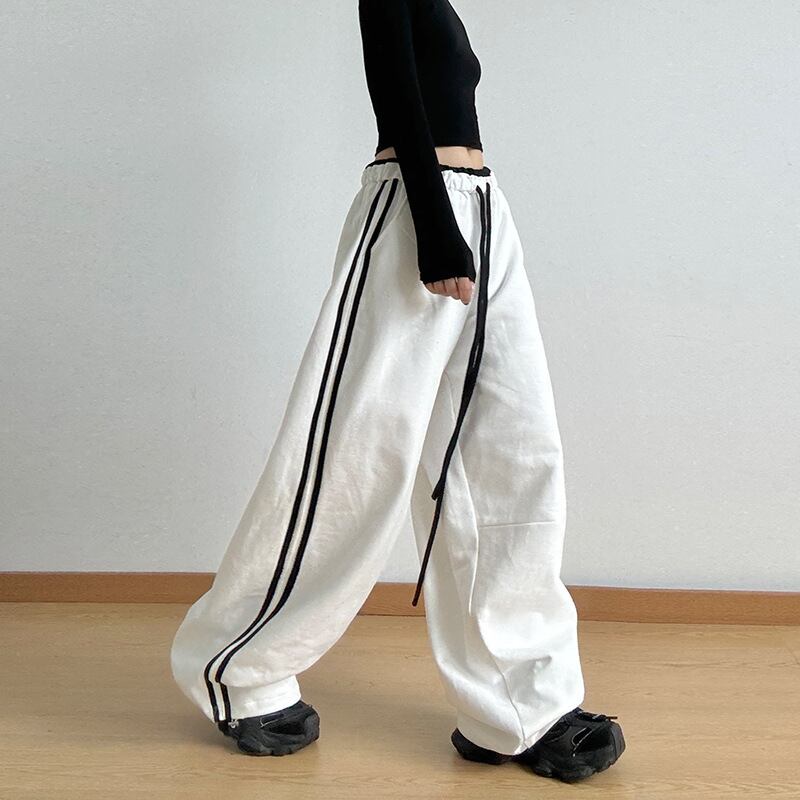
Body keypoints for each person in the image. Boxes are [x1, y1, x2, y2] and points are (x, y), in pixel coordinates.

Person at [170, 0, 626, 783]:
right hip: (416, 212)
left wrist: (464, 222)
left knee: (511, 454)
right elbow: (395, 88)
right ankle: (239, 667)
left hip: (484, 207)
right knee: (353, 457)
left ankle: (518, 704)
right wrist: (436, 231)